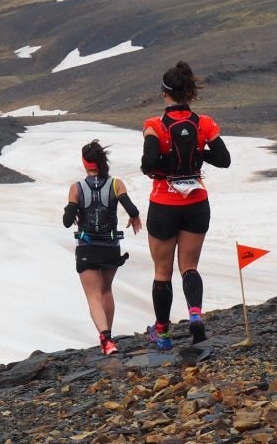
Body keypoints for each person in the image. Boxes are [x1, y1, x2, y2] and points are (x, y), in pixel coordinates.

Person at [141, 61, 231, 348]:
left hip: (164, 204)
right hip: (196, 203)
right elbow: (224, 160)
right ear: (189, 92)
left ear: (164, 93)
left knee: (162, 271)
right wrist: (199, 155)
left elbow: (148, 163)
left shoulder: (154, 126)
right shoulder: (205, 123)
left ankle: (163, 333)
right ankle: (194, 315)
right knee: (189, 267)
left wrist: (162, 166)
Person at [63, 140, 142, 356]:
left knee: (93, 296)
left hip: (87, 247)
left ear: (84, 162)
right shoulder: (116, 184)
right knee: (106, 290)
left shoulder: (76, 188)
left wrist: (73, 207)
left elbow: (67, 221)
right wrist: (134, 218)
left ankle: (106, 339)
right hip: (110, 245)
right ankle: (110, 339)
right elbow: (132, 208)